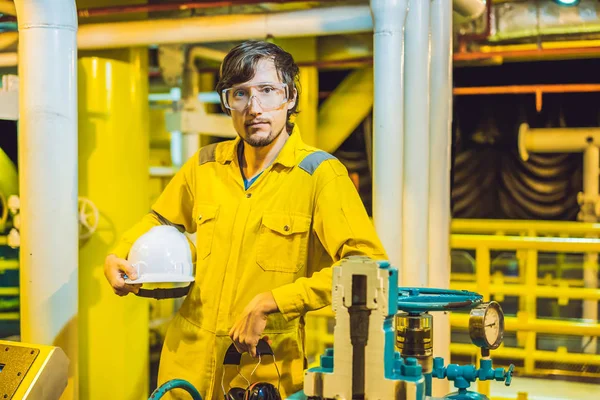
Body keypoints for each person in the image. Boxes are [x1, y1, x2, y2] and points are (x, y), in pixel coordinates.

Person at [104, 40, 387, 399]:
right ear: (227, 103)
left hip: (260, 365)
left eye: (267, 91)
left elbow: (367, 265)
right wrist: (119, 252)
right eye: (240, 94)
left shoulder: (320, 175)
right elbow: (160, 219)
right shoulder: (206, 165)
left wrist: (274, 301)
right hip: (185, 359)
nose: (254, 108)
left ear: (291, 98)